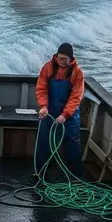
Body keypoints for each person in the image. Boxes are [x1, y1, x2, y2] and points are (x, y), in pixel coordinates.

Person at [35, 43, 85, 178]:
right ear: (57, 56)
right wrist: (43, 106)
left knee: (72, 145)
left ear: (71, 59)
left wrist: (65, 114)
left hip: (69, 115)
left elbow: (76, 96)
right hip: (50, 111)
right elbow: (41, 89)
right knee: (44, 142)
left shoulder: (77, 72)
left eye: (65, 59)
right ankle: (41, 173)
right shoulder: (48, 67)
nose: (62, 61)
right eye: (60, 58)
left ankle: (74, 177)